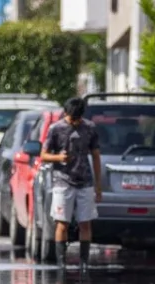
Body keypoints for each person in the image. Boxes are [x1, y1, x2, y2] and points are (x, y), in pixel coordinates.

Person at [41, 97, 102, 269]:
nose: (75, 122)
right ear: (66, 114)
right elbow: (43, 155)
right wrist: (58, 158)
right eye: (71, 118)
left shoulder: (90, 128)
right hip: (62, 181)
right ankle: (61, 262)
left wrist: (98, 185)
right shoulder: (56, 129)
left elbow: (96, 156)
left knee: (85, 222)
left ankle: (84, 262)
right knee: (62, 222)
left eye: (78, 118)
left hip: (85, 181)